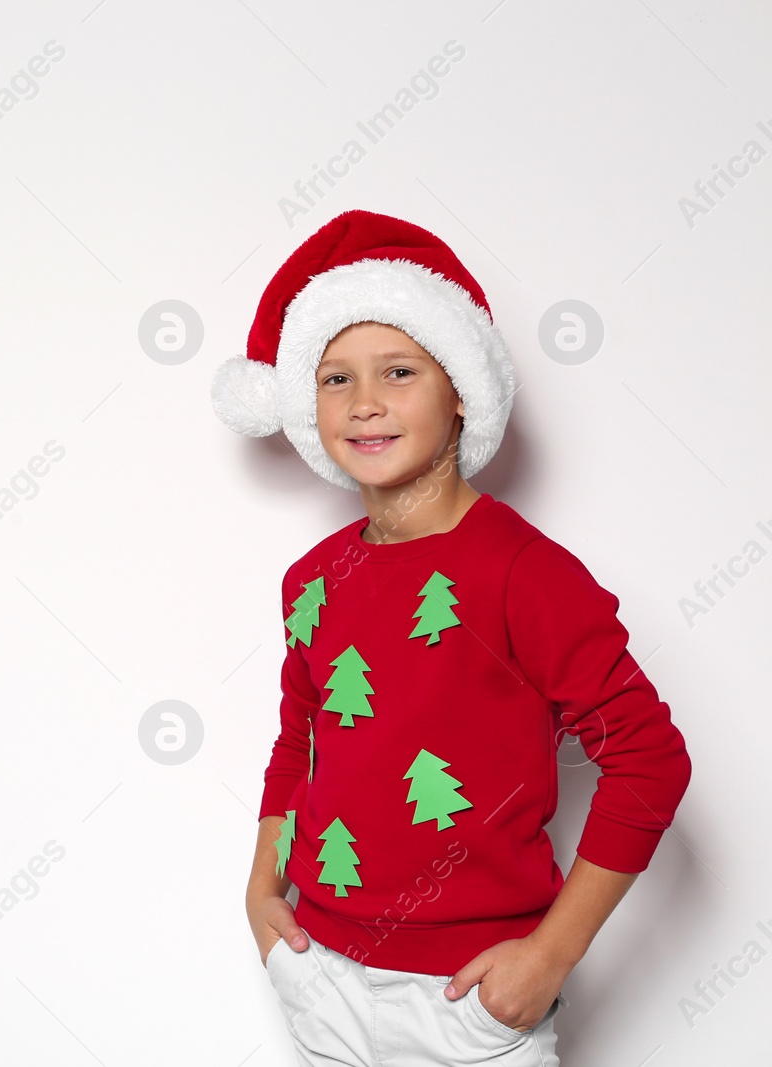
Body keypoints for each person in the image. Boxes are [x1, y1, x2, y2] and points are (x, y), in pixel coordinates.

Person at [210, 209, 692, 1066]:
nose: (364, 403)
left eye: (398, 371)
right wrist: (261, 889)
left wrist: (550, 955)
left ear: (461, 389)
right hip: (321, 975)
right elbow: (300, 742)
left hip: (471, 997)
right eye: (334, 378)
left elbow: (649, 757)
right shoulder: (311, 580)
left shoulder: (523, 572)